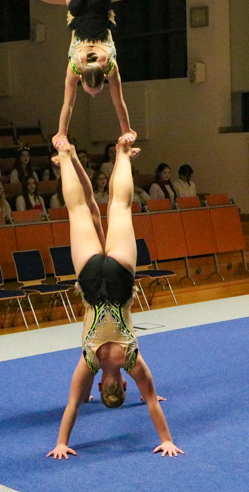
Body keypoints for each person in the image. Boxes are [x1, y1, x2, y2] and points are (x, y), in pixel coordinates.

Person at [0, 0, 230, 149]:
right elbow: (69, 106)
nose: (93, 94)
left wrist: (127, 130)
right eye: (92, 91)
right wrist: (60, 133)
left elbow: (118, 102)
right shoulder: (75, 66)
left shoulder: (109, 65)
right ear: (86, 79)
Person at [46, 138, 182, 460]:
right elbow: (72, 405)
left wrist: (167, 439)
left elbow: (150, 401)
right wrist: (61, 442)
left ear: (122, 386)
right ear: (98, 388)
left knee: (120, 208)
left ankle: (122, 153)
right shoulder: (89, 362)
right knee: (77, 210)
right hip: (92, 282)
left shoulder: (132, 360)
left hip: (120, 280)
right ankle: (65, 157)